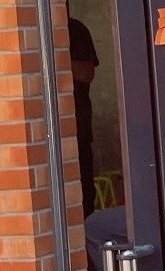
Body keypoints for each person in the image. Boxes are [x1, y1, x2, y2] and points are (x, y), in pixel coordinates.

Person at [68, 16, 100, 219]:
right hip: (41, 137)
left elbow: (87, 72)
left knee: (84, 203)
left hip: (77, 134)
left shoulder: (74, 28)